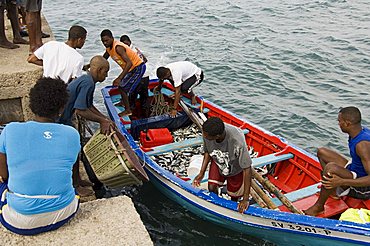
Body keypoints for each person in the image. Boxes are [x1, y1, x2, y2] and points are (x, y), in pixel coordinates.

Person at [0, 77, 80, 235]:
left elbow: (4, 175)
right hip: (63, 212)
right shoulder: (72, 134)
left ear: (32, 104)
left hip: (19, 221)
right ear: (62, 108)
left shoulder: (10, 130)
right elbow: (73, 178)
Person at [59, 55, 113, 197]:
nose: (106, 76)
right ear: (99, 70)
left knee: (77, 148)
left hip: (65, 116)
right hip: (59, 119)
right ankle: (75, 185)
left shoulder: (87, 80)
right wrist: (102, 122)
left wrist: (104, 118)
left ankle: (78, 180)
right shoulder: (88, 82)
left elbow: (89, 105)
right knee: (72, 150)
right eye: (105, 72)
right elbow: (80, 110)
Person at [304, 107, 370, 216]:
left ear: (347, 123)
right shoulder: (360, 132)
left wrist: (341, 182)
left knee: (331, 168)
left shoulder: (362, 145)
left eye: (340, 121)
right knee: (322, 152)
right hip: (355, 170)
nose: (338, 124)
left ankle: (319, 207)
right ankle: (333, 192)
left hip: (364, 188)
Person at [192, 117, 252, 213]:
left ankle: (232, 208)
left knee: (234, 195)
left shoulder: (237, 141)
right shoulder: (207, 133)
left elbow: (247, 169)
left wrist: (245, 199)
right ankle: (216, 204)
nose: (204, 136)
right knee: (211, 187)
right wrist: (201, 173)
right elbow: (207, 152)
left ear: (217, 136)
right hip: (218, 161)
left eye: (206, 136)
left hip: (235, 167)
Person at [100, 29, 146, 117]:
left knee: (123, 88)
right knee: (121, 87)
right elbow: (103, 58)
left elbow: (129, 63)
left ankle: (128, 110)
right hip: (130, 69)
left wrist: (119, 78)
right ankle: (125, 101)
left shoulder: (118, 47)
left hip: (138, 67)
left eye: (107, 40)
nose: (105, 43)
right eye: (103, 41)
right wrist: (90, 65)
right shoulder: (109, 48)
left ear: (112, 38)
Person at [120, 34, 150, 117]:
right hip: (145, 76)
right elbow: (145, 60)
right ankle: (146, 118)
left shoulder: (128, 52)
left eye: (126, 44)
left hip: (138, 77)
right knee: (144, 98)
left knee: (132, 97)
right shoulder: (136, 49)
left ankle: (131, 119)